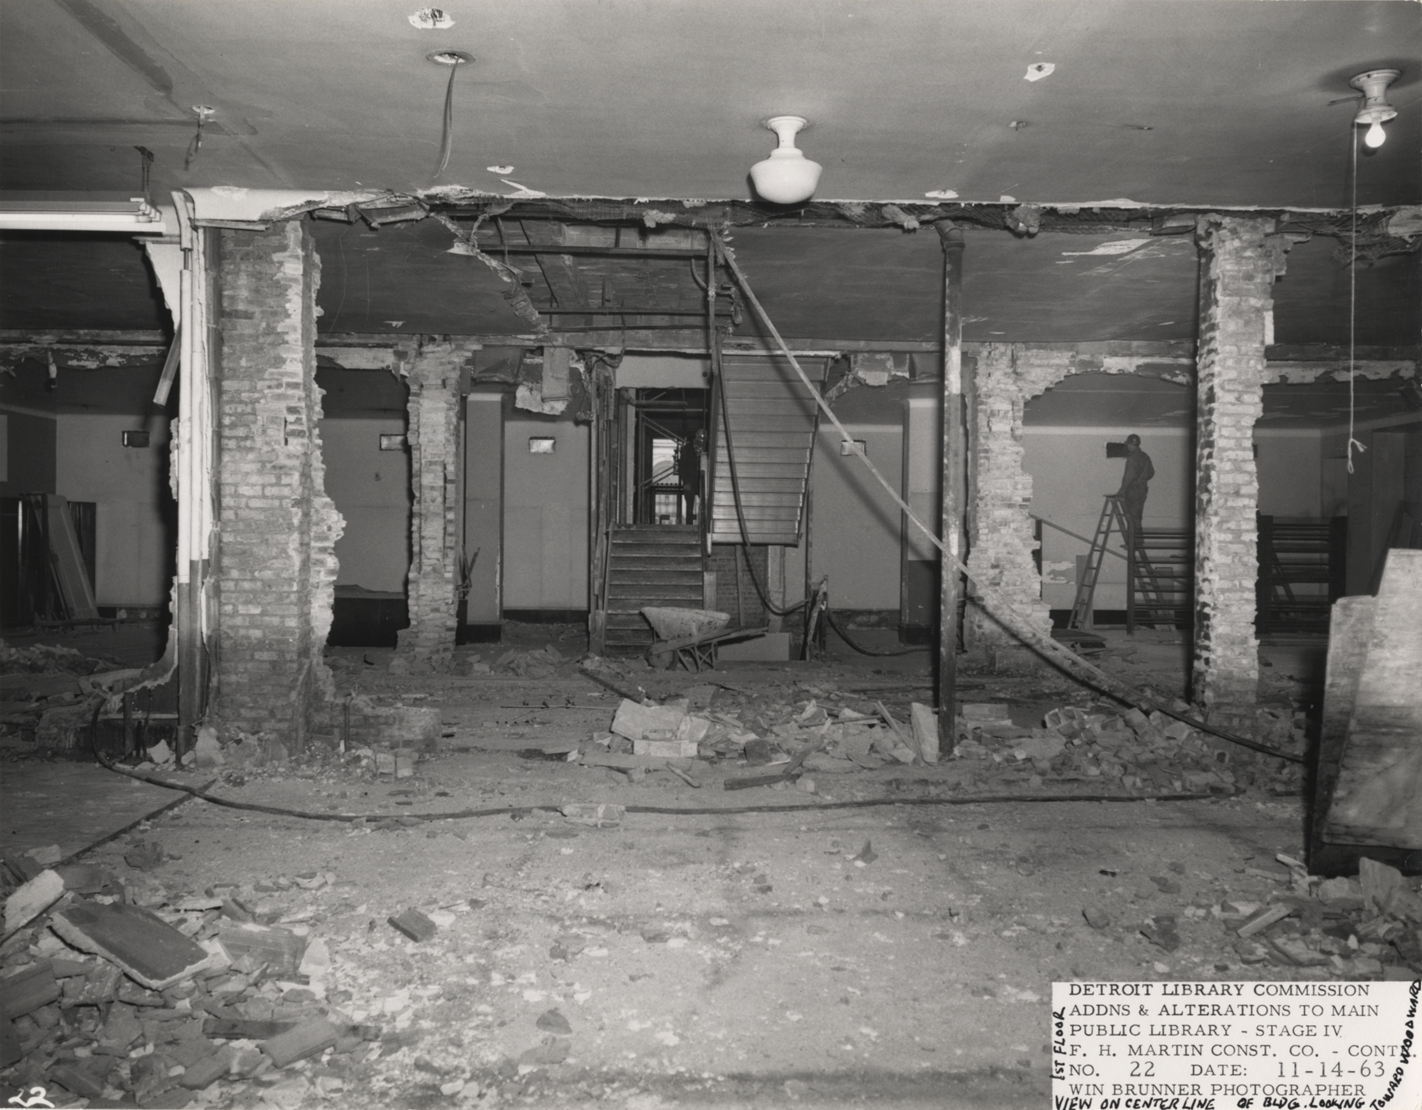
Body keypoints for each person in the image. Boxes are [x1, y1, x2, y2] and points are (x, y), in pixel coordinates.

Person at [1115, 433, 1154, 539]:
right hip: (1142, 491)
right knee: (1137, 517)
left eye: (1127, 444)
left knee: (1131, 518)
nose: (1127, 446)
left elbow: (1128, 477)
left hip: (1132, 492)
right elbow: (1151, 473)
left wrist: (1121, 491)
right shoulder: (1145, 456)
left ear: (1130, 444)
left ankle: (1134, 542)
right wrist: (1142, 480)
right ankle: (1138, 541)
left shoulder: (1132, 457)